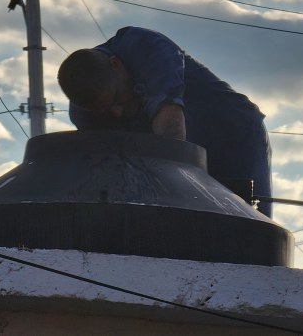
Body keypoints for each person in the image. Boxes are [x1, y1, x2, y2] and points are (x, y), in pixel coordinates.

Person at [58, 26, 273, 217]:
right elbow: (107, 165)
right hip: (183, 159)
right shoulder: (82, 110)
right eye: (105, 110)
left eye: (115, 99)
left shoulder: (146, 48)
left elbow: (170, 133)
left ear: (116, 65)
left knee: (250, 224)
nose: (116, 112)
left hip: (235, 140)